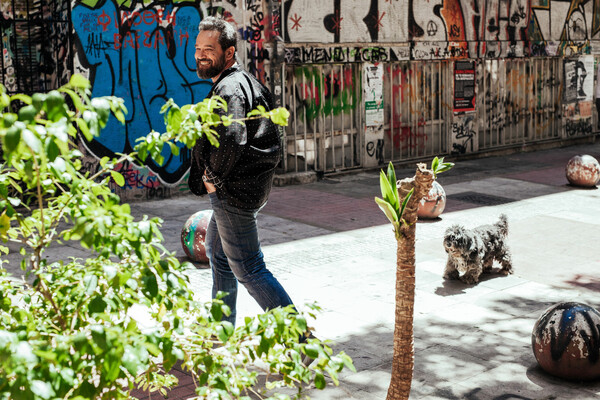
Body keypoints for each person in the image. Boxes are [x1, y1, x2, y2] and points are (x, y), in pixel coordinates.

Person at [188, 16, 294, 326]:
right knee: (219, 256)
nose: (200, 55)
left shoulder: (230, 89)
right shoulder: (245, 82)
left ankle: (302, 342)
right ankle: (222, 330)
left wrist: (212, 179)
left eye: (209, 49)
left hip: (233, 194)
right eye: (197, 48)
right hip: (246, 189)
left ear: (230, 52)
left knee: (248, 267)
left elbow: (232, 141)